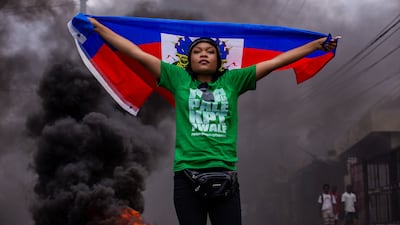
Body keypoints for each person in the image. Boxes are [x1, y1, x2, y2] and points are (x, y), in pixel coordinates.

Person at [87, 17, 338, 225]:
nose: (203, 55)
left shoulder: (233, 81)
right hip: (186, 177)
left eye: (210, 52)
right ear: (189, 60)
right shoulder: (177, 78)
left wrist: (314, 46)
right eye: (197, 52)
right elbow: (135, 53)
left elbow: (276, 61)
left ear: (219, 61)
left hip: (225, 177)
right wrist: (98, 28)